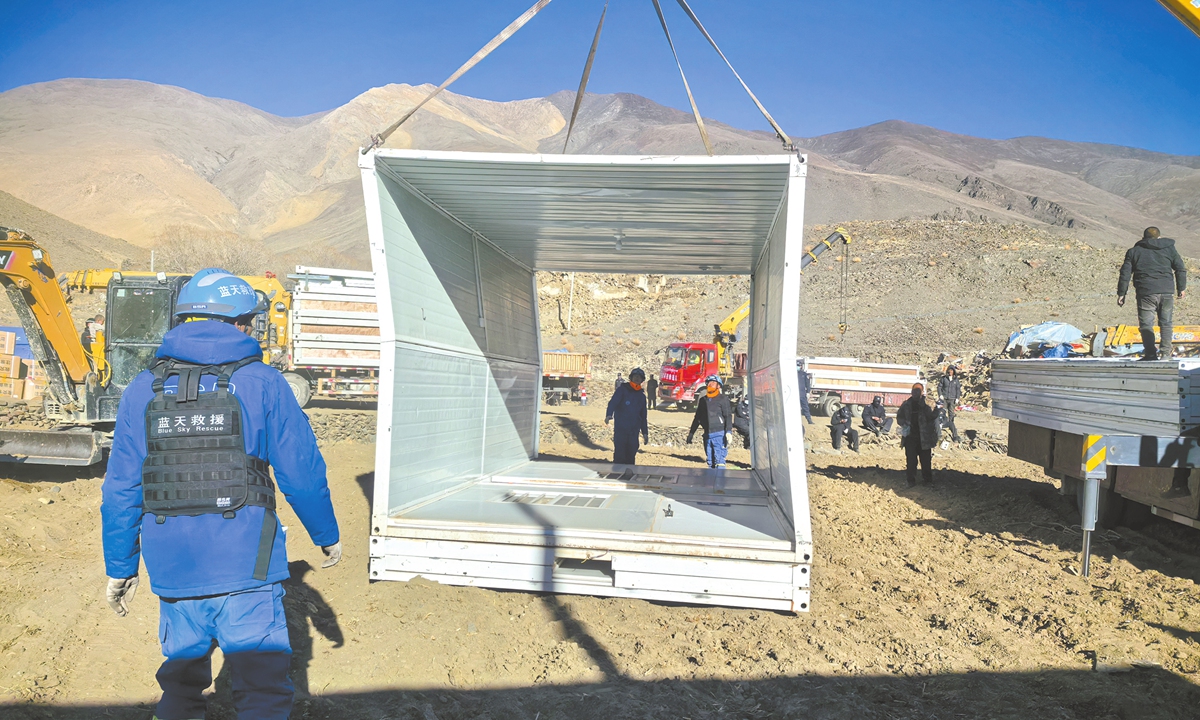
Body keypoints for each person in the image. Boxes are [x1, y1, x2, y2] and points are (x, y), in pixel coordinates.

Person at [101, 269, 341, 720]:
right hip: (247, 563)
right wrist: (326, 533)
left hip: (173, 566)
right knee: (263, 691)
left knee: (181, 687)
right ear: (241, 322)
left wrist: (120, 565)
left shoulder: (141, 390)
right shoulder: (264, 383)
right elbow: (302, 471)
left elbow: (121, 489)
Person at [1117, 226, 1187, 360]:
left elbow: (1125, 273)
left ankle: (1150, 354)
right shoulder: (1169, 249)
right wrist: (1181, 288)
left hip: (1146, 292)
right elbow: (1180, 269)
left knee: (1146, 324)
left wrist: (1122, 293)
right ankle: (1166, 354)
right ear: (1159, 237)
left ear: (1144, 238)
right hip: (1166, 291)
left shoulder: (1134, 252)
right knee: (1166, 323)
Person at [687, 375, 733, 468]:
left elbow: (728, 416)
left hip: (719, 434)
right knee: (710, 462)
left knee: (719, 461)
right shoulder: (703, 400)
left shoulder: (723, 399)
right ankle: (710, 482)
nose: (710, 384)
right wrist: (691, 433)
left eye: (713, 383)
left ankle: (720, 481)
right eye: (709, 383)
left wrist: (728, 431)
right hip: (707, 435)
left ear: (718, 386)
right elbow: (697, 418)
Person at [897, 382, 938, 486]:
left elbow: (933, 418)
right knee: (911, 461)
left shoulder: (928, 404)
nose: (915, 393)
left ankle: (927, 481)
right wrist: (904, 424)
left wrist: (937, 410)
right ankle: (911, 481)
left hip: (924, 438)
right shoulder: (906, 404)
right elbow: (899, 417)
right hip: (910, 438)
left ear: (922, 392)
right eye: (914, 391)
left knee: (926, 461)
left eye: (918, 391)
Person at [605, 367, 649, 464]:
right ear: (631, 378)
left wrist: (645, 432)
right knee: (620, 455)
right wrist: (609, 414)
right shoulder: (622, 390)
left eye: (639, 377)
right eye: (635, 376)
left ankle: (628, 477)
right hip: (621, 429)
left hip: (634, 431)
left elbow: (643, 416)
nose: (637, 379)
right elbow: (613, 403)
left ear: (642, 380)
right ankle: (617, 473)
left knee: (631, 455)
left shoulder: (641, 396)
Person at [937, 366, 962, 442]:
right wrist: (940, 395)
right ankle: (941, 424)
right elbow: (939, 387)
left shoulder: (956, 380)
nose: (950, 372)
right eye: (949, 371)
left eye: (951, 371)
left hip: (952, 399)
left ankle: (951, 425)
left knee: (951, 412)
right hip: (944, 398)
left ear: (954, 372)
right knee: (942, 411)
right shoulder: (944, 378)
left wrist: (957, 398)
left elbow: (958, 389)